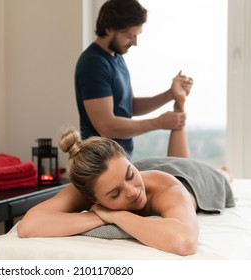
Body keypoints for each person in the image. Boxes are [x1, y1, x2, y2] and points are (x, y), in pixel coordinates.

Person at [17, 87, 235, 256]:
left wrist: (117, 215)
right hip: (150, 168)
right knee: (168, 163)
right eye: (114, 194)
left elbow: (184, 242)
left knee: (221, 176)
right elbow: (28, 226)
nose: (132, 191)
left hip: (189, 178)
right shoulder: (91, 182)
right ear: (91, 197)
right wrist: (99, 218)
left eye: (130, 174)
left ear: (128, 160)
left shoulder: (169, 190)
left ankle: (224, 171)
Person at [75, 0, 194, 158]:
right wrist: (157, 123)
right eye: (130, 36)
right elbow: (107, 126)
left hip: (120, 160)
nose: (135, 43)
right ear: (109, 29)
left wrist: (170, 94)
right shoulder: (94, 63)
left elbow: (130, 106)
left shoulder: (116, 57)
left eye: (136, 35)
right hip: (101, 164)